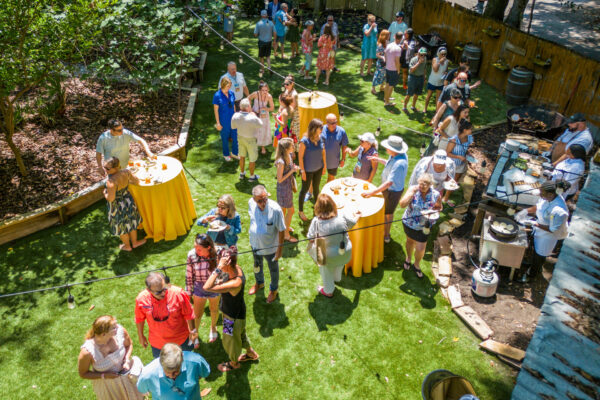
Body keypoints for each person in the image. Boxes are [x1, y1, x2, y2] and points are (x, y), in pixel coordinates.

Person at [203, 247, 260, 372]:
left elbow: (207, 287)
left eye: (220, 261)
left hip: (231, 317)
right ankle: (250, 353)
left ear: (226, 263)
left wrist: (218, 269)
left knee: (231, 341)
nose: (218, 263)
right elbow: (220, 279)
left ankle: (234, 363)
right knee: (241, 335)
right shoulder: (235, 268)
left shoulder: (235, 283)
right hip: (238, 313)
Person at [78, 315, 144, 400]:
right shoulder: (87, 351)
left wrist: (126, 359)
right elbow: (83, 373)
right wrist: (104, 375)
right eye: (114, 327)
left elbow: (129, 344)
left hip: (128, 379)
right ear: (104, 334)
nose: (118, 327)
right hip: (109, 388)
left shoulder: (120, 332)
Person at [308, 194, 360, 297]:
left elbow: (310, 238)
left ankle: (328, 291)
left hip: (326, 255)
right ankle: (336, 279)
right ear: (333, 205)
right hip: (345, 251)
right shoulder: (341, 214)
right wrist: (358, 215)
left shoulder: (316, 222)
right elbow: (352, 222)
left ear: (317, 207)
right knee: (339, 264)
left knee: (326, 272)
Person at [134, 272, 197, 358]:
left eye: (165, 289)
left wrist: (193, 331)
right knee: (164, 368)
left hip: (181, 340)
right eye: (158, 292)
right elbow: (139, 318)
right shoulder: (141, 299)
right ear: (149, 290)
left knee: (185, 362)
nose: (163, 293)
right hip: (158, 344)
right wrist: (141, 336)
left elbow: (189, 313)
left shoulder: (178, 293)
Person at [516, 181, 569, 283]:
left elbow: (553, 229)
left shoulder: (559, 211)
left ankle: (531, 275)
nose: (540, 195)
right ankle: (532, 266)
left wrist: (535, 224)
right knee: (534, 249)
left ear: (550, 194)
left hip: (549, 236)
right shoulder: (548, 197)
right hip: (541, 229)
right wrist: (526, 211)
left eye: (542, 193)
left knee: (539, 255)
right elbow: (539, 206)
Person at [362, 135, 409, 243]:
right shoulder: (395, 155)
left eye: (388, 147)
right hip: (389, 189)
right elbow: (389, 164)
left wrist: (372, 192)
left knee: (388, 214)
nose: (386, 149)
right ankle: (382, 230)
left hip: (392, 192)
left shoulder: (399, 163)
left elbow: (389, 183)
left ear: (393, 150)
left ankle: (386, 235)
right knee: (384, 211)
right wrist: (378, 159)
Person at [399, 173, 442, 278]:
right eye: (420, 184)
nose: (422, 186)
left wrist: (435, 211)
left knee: (421, 248)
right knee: (410, 241)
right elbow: (402, 204)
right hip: (410, 223)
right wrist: (411, 193)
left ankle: (416, 264)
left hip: (425, 226)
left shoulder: (435, 194)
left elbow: (439, 207)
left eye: (425, 184)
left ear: (430, 184)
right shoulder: (413, 190)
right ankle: (408, 258)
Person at [248, 185, 286, 303]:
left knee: (273, 270)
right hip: (255, 244)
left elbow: (281, 229)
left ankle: (273, 290)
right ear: (254, 199)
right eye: (260, 200)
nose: (263, 202)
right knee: (257, 265)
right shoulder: (251, 203)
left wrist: (279, 249)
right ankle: (260, 283)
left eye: (265, 199)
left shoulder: (275, 209)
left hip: (270, 248)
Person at [137, 343, 210, 399]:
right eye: (168, 372)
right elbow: (142, 390)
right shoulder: (147, 375)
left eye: (175, 372)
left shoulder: (196, 362)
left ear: (182, 360)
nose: (172, 376)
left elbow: (204, 373)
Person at [102, 157, 145, 252]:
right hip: (128, 201)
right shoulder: (126, 172)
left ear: (117, 167)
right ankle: (135, 242)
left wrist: (105, 194)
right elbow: (136, 181)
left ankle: (127, 246)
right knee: (131, 222)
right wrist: (126, 182)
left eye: (108, 168)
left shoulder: (110, 182)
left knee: (121, 227)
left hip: (117, 206)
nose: (105, 170)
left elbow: (111, 198)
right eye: (104, 167)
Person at [186, 234, 220, 346]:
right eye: (195, 247)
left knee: (214, 310)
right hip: (199, 287)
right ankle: (195, 334)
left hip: (214, 286)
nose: (196, 251)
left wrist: (221, 283)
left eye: (199, 249)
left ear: (209, 248)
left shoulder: (219, 252)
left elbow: (225, 271)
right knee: (197, 314)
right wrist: (189, 292)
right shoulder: (191, 255)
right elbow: (189, 275)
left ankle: (213, 328)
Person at [298, 119, 327, 221]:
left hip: (318, 168)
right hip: (308, 170)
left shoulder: (321, 138)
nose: (322, 129)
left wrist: (324, 166)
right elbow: (300, 157)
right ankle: (300, 211)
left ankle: (317, 209)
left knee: (316, 189)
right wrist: (302, 171)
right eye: (321, 128)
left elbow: (323, 152)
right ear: (314, 128)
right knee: (304, 190)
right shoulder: (304, 141)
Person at [275, 138, 300, 242]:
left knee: (284, 211)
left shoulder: (289, 156)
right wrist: (292, 171)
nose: (294, 147)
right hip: (283, 189)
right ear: (286, 149)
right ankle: (286, 235)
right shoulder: (281, 161)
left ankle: (284, 227)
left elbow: (289, 169)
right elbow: (279, 179)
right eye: (292, 146)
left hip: (288, 187)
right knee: (291, 210)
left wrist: (294, 168)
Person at [231, 98, 263, 181]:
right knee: (252, 159)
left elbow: (233, 126)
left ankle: (242, 173)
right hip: (251, 140)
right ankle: (252, 176)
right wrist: (254, 115)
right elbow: (260, 124)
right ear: (248, 106)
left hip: (240, 138)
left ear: (240, 106)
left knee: (242, 156)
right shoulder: (252, 117)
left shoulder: (235, 115)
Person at [213, 77, 238, 162]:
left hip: (233, 120)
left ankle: (234, 153)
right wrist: (218, 123)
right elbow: (216, 110)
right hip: (224, 121)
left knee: (235, 137)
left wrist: (235, 115)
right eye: (227, 86)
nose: (229, 88)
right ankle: (226, 154)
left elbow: (233, 105)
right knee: (225, 139)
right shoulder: (217, 95)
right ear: (223, 85)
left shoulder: (231, 93)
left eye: (230, 86)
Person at [248, 81, 275, 154]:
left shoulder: (269, 96)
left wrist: (266, 109)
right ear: (259, 90)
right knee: (254, 130)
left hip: (264, 116)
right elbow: (248, 98)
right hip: (255, 114)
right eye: (263, 90)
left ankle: (263, 147)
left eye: (266, 90)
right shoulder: (255, 94)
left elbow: (272, 108)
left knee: (263, 130)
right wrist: (250, 110)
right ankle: (254, 145)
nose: (264, 92)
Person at [321, 113, 348, 182]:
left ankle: (327, 192)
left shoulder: (341, 131)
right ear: (327, 123)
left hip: (333, 161)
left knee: (331, 178)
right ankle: (313, 192)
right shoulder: (321, 130)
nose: (334, 125)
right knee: (316, 178)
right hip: (320, 160)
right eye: (332, 123)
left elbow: (344, 146)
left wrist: (343, 159)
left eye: (335, 122)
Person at [403, 47, 428, 113]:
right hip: (413, 77)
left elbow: (424, 68)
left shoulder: (425, 59)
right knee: (409, 94)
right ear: (418, 54)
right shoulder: (413, 60)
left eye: (424, 55)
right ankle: (404, 107)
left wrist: (424, 77)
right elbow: (411, 70)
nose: (423, 56)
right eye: (421, 54)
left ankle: (413, 106)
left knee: (417, 94)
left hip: (420, 78)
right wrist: (419, 63)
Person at [424, 47, 449, 112]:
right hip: (433, 81)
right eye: (442, 54)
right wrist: (440, 62)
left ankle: (437, 111)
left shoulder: (447, 61)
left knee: (438, 98)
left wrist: (446, 73)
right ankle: (425, 108)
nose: (443, 56)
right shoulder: (435, 59)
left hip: (440, 82)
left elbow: (446, 70)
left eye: (445, 54)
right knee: (429, 95)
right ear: (438, 54)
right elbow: (435, 69)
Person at [383, 31, 402, 106]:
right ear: (400, 39)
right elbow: (397, 61)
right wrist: (398, 70)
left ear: (394, 36)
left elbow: (385, 55)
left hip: (387, 68)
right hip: (393, 70)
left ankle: (386, 98)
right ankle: (387, 102)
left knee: (387, 84)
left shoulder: (389, 45)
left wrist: (387, 63)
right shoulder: (398, 48)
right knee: (391, 85)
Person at [254, 10, 275, 75]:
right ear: (266, 15)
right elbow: (275, 32)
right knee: (268, 56)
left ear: (261, 15)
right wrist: (274, 40)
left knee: (262, 57)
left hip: (261, 42)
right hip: (269, 41)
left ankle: (262, 70)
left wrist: (259, 33)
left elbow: (255, 34)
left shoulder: (258, 23)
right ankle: (269, 67)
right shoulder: (271, 23)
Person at [371, 29, 389, 95]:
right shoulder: (380, 45)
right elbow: (377, 54)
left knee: (384, 75)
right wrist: (383, 57)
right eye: (388, 35)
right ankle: (373, 88)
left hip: (386, 63)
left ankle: (381, 87)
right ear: (385, 36)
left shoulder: (386, 43)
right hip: (381, 63)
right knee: (377, 75)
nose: (389, 36)